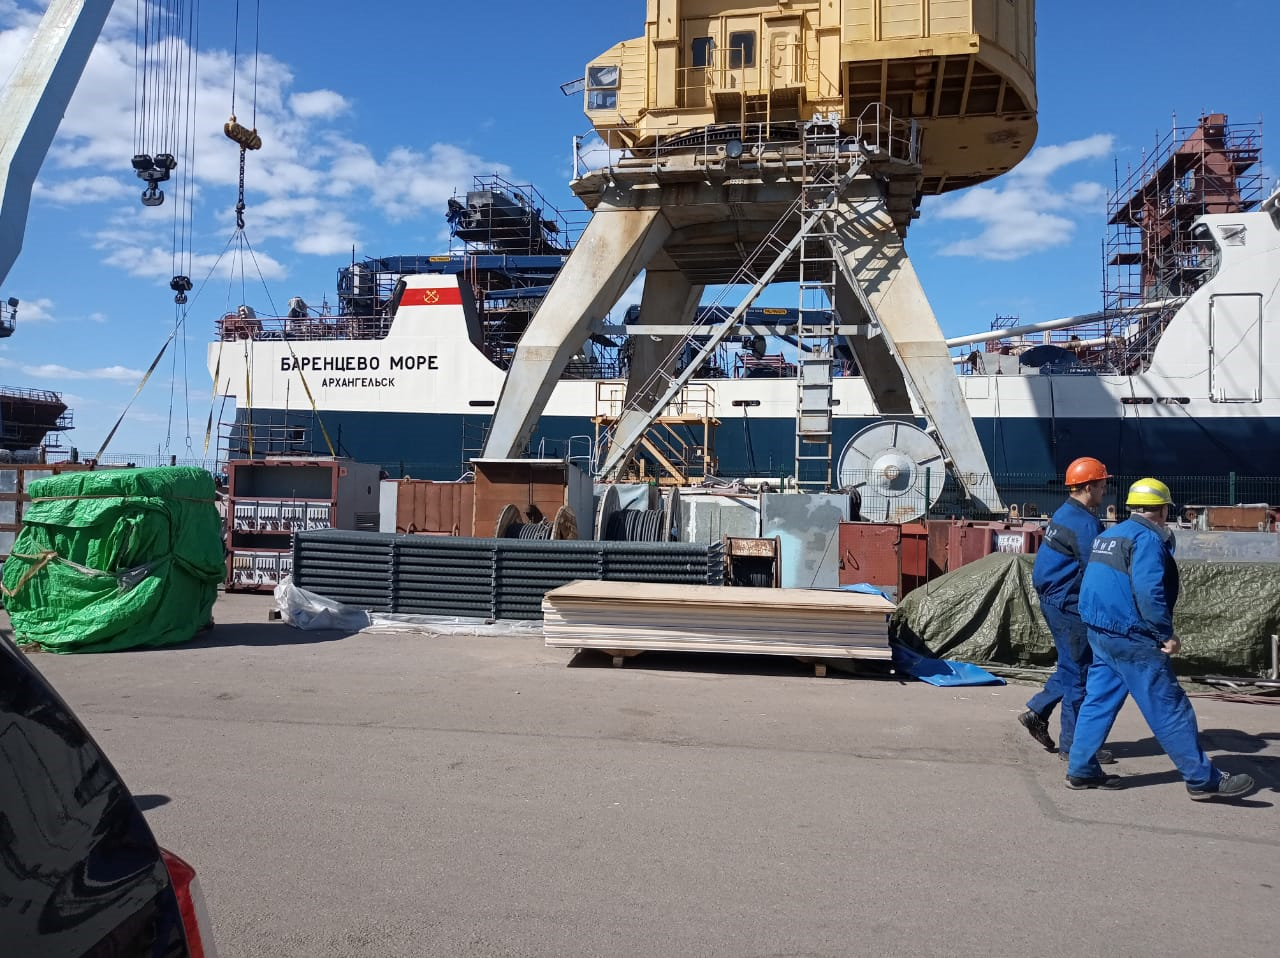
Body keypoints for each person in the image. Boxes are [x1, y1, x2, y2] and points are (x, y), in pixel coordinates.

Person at [1065, 478, 1255, 800]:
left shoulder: (1109, 536)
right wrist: (1164, 633)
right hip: (1133, 637)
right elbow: (1148, 592)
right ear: (1163, 510)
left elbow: (1094, 582)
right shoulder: (1147, 540)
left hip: (1100, 632)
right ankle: (1202, 778)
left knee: (1098, 701)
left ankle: (1081, 769)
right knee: (1169, 706)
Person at [1017, 457, 1115, 765]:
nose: (1105, 490)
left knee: (1073, 665)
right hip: (1068, 605)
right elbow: (1095, 570)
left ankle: (1038, 711)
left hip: (1053, 600)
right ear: (1088, 487)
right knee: (1080, 675)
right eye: (1102, 485)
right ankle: (1074, 747)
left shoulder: (1064, 513)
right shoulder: (1085, 525)